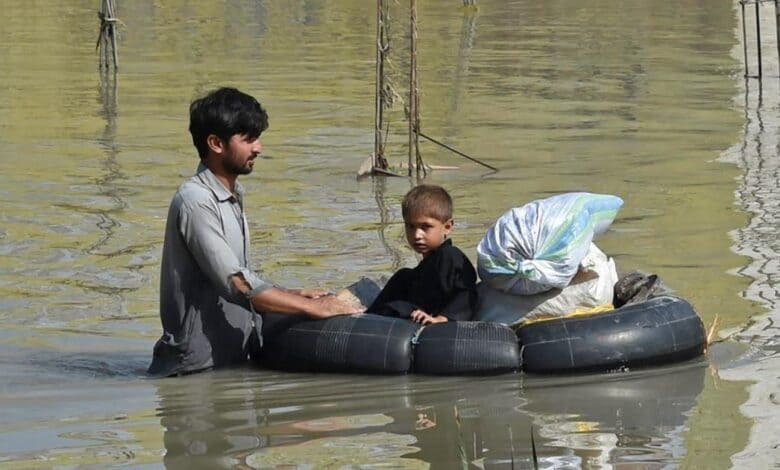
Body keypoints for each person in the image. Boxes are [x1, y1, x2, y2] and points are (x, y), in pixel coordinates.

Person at [148, 87, 361, 377]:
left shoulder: (233, 194)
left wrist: (291, 293)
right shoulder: (195, 201)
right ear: (215, 143)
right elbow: (236, 284)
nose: (258, 148)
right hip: (194, 372)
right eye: (248, 139)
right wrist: (316, 308)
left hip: (229, 364)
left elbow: (240, 275)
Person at [367, 184, 478, 324]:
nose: (417, 235)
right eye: (410, 226)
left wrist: (441, 319)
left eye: (426, 227)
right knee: (403, 276)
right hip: (411, 319)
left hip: (438, 324)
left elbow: (466, 293)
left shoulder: (450, 256)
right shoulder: (414, 273)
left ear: (447, 227)